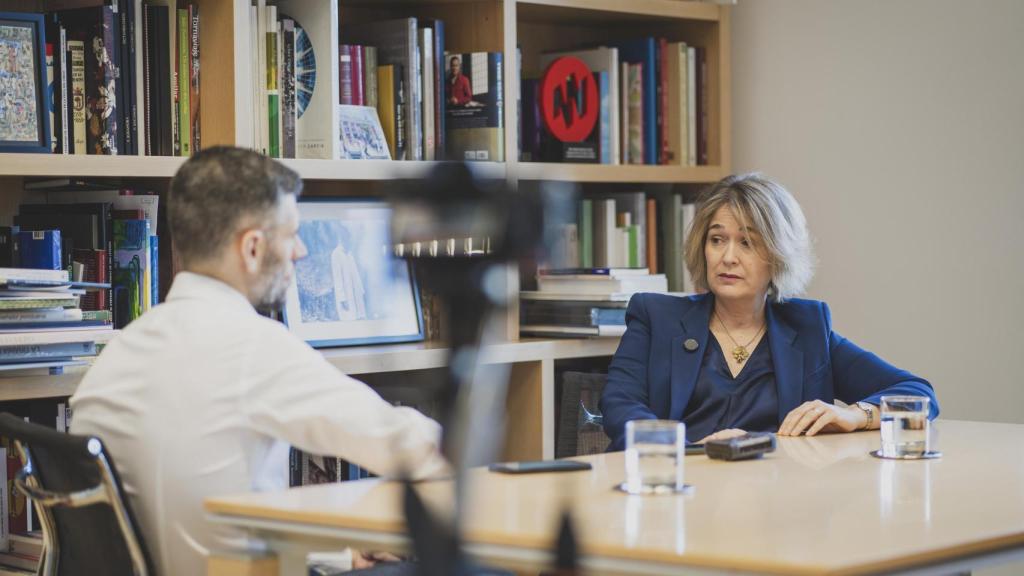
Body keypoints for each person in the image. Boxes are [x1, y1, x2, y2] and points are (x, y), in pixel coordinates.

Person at [70, 147, 447, 575]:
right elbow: (406, 447)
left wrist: (335, 557)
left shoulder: (117, 353)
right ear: (252, 248)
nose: (301, 252)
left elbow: (180, 534)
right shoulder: (252, 347)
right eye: (291, 235)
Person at [600, 173, 939, 450]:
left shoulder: (806, 329)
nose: (728, 257)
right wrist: (692, 448)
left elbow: (917, 393)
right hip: (676, 491)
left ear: (778, 256)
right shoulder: (657, 316)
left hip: (777, 502)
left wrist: (854, 415)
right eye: (717, 240)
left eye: (747, 243)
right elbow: (619, 407)